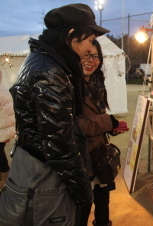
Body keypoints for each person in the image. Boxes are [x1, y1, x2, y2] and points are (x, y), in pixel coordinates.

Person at [0, 4, 110, 225]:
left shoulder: (42, 60)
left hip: (35, 169)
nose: (90, 49)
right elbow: (59, 143)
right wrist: (83, 191)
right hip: (43, 178)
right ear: (71, 35)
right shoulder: (50, 71)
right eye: (89, 40)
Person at [78, 40, 127, 226]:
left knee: (103, 202)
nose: (91, 60)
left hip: (100, 157)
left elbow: (95, 118)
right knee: (82, 207)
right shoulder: (68, 86)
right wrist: (108, 122)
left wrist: (112, 127)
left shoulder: (96, 83)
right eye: (86, 55)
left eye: (96, 56)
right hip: (81, 159)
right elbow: (74, 126)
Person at [0, 82, 15, 190]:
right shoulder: (2, 88)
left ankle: (5, 179)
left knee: (0, 154)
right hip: (4, 128)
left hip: (2, 128)